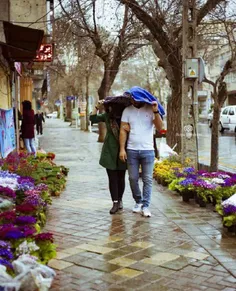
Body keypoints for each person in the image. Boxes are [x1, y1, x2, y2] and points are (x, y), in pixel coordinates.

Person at [119, 87, 165, 217]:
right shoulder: (127, 111)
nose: (132, 100)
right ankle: (138, 201)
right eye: (131, 98)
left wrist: (156, 111)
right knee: (133, 178)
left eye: (134, 98)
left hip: (148, 150)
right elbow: (123, 130)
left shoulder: (150, 109)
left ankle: (146, 205)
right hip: (132, 150)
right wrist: (122, 149)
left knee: (147, 179)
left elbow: (160, 127)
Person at [90, 96, 130, 214]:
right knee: (112, 178)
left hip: (124, 151)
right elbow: (92, 118)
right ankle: (115, 202)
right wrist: (97, 107)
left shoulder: (127, 118)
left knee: (121, 178)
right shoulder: (108, 117)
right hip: (109, 152)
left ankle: (120, 199)